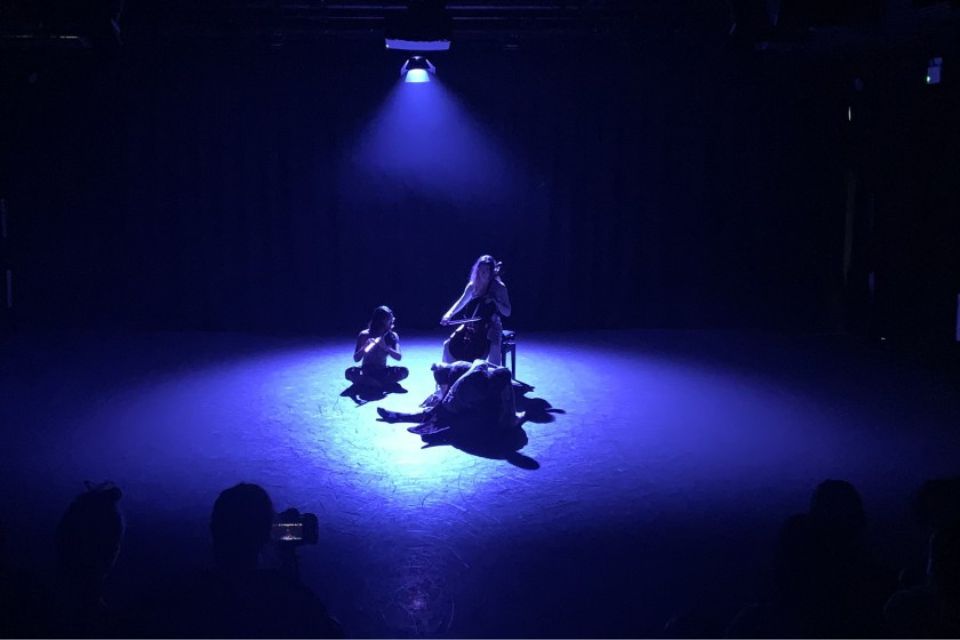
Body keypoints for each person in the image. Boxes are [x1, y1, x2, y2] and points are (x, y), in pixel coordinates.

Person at [378, 359, 521, 435]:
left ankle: (408, 418)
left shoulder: (467, 374)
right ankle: (401, 417)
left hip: (478, 402)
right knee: (439, 409)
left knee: (446, 412)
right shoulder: (465, 372)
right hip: (474, 394)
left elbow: (449, 397)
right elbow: (449, 393)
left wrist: (437, 410)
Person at [441, 255, 511, 366]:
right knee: (448, 345)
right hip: (471, 323)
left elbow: (507, 312)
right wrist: (449, 314)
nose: (481, 273)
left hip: (491, 324)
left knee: (494, 355)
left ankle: (494, 374)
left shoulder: (499, 287)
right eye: (479, 269)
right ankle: (447, 374)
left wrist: (495, 300)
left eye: (485, 270)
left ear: (491, 272)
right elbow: (461, 302)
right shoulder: (473, 285)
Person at [345, 305, 408, 389]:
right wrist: (364, 347)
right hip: (366, 371)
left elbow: (398, 357)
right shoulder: (364, 334)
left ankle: (371, 383)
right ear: (381, 321)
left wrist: (386, 347)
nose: (392, 321)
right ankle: (380, 384)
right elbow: (356, 359)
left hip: (383, 371)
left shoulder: (392, 336)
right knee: (350, 372)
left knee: (404, 371)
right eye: (390, 319)